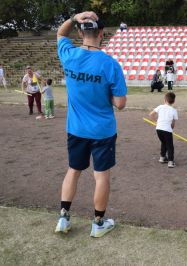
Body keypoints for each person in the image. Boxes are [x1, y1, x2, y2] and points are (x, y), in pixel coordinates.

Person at [55, 11, 127, 238]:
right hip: (102, 130)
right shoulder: (110, 64)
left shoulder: (68, 54)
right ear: (102, 33)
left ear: (80, 32)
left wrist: (75, 17)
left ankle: (64, 218)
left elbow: (59, 33)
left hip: (76, 128)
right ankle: (98, 223)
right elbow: (120, 104)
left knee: (73, 170)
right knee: (101, 175)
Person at [149, 92, 178, 168]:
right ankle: (171, 162)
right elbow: (173, 124)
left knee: (163, 143)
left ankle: (162, 158)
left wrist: (155, 122)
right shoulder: (174, 110)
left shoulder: (160, 107)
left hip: (158, 129)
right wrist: (171, 128)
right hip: (167, 130)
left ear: (164, 100)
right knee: (170, 146)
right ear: (174, 101)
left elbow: (151, 114)